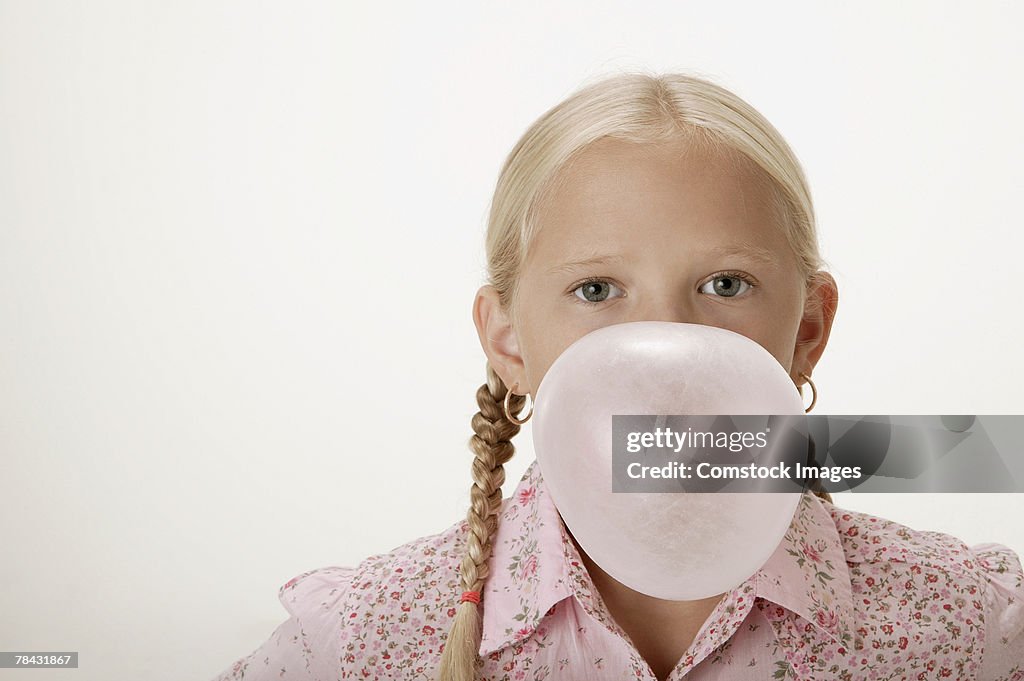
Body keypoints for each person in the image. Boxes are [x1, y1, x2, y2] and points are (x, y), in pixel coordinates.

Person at [210, 72, 1024, 681]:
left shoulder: (974, 628)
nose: (664, 348)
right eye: (596, 290)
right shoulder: (360, 639)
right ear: (508, 340)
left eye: (725, 284)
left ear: (808, 327)